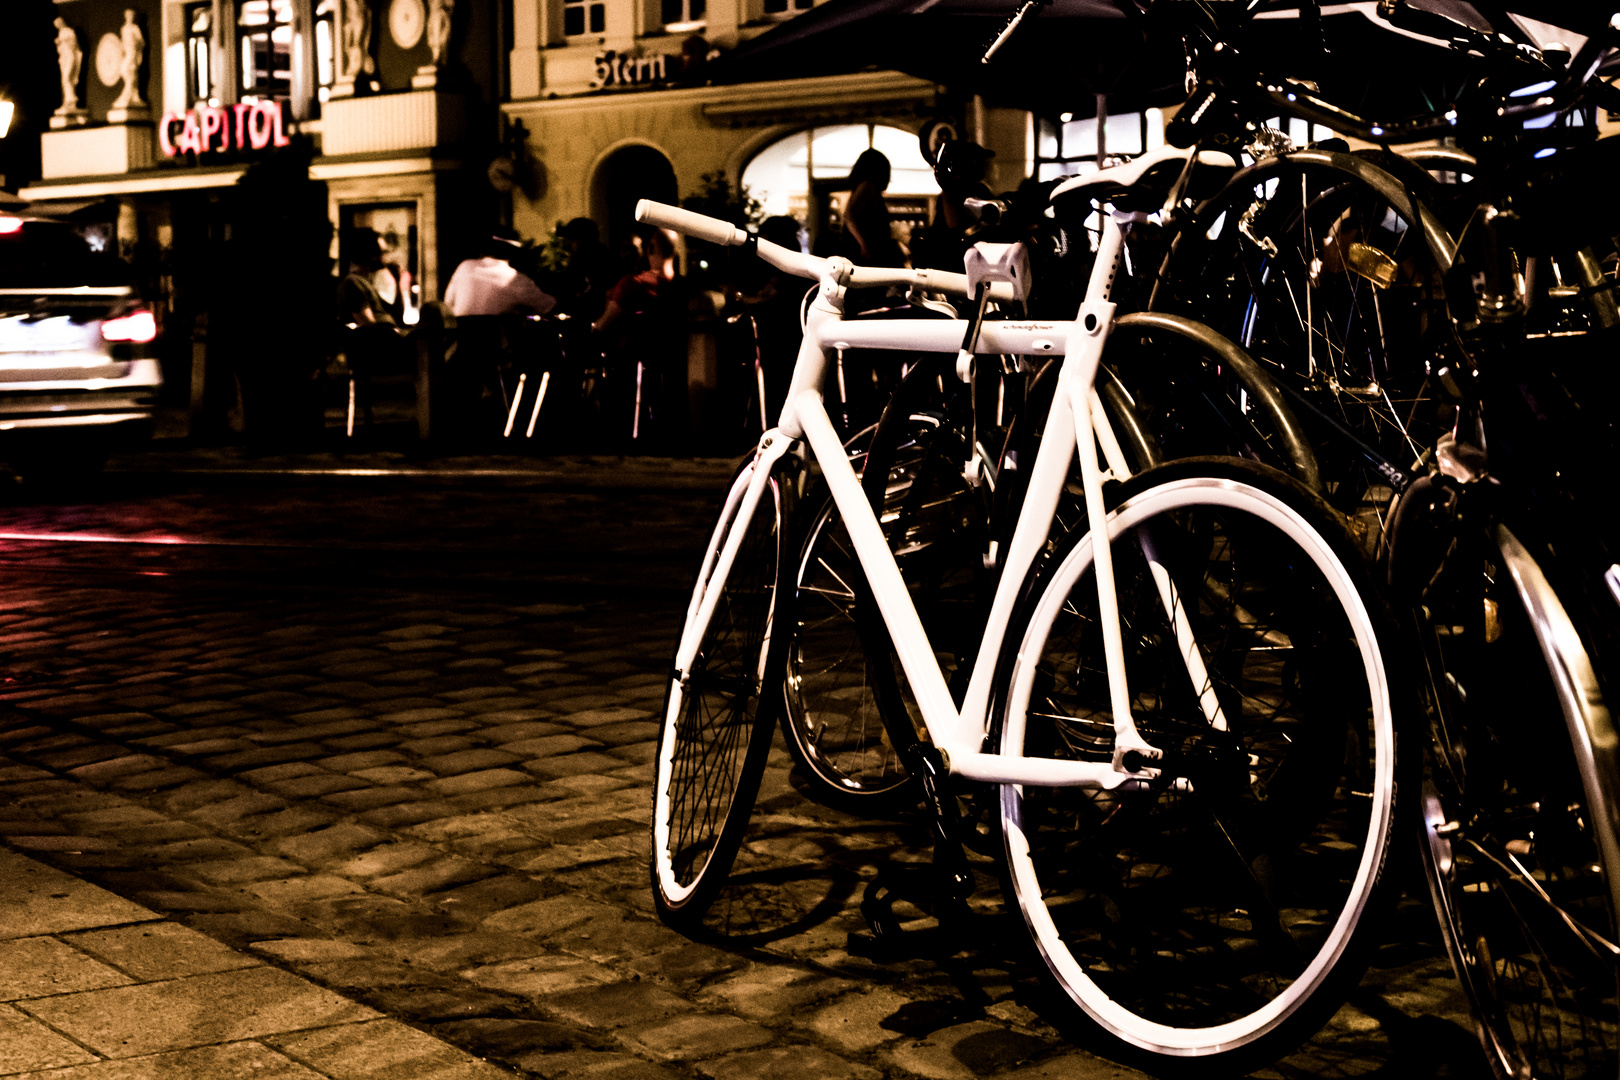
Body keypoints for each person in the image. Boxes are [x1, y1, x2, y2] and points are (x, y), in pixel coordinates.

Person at [443, 234, 556, 317]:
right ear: (514, 254)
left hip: (463, 345)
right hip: (500, 348)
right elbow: (549, 307)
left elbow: (448, 304)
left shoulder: (464, 266)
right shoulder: (514, 278)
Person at [841, 148, 903, 267]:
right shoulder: (868, 185)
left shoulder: (866, 187)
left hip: (863, 254)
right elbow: (849, 215)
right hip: (865, 256)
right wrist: (865, 245)